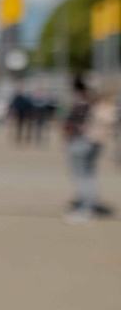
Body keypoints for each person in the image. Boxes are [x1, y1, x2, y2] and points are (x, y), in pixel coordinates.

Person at [63, 77, 115, 224]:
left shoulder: (85, 102)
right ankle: (88, 206)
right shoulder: (103, 104)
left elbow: (73, 120)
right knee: (89, 175)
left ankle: (85, 209)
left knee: (82, 176)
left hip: (83, 141)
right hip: (96, 142)